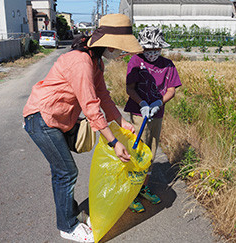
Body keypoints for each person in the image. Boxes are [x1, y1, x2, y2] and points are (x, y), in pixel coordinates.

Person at [23, 14, 143, 242]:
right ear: (108, 43)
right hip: (42, 118)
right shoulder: (81, 62)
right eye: (119, 48)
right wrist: (114, 142)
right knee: (66, 172)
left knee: (63, 171)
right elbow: (90, 106)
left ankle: (70, 212)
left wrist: (122, 122)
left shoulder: (95, 61)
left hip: (57, 119)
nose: (120, 53)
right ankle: (67, 226)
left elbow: (103, 97)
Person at [124, 26, 182, 213]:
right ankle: (131, 192)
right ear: (142, 48)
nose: (151, 53)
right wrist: (142, 103)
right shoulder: (135, 61)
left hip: (156, 114)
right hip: (139, 114)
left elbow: (172, 89)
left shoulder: (167, 65)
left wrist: (159, 102)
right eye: (148, 49)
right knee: (137, 151)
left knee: (151, 151)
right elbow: (130, 88)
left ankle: (143, 188)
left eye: (155, 49)